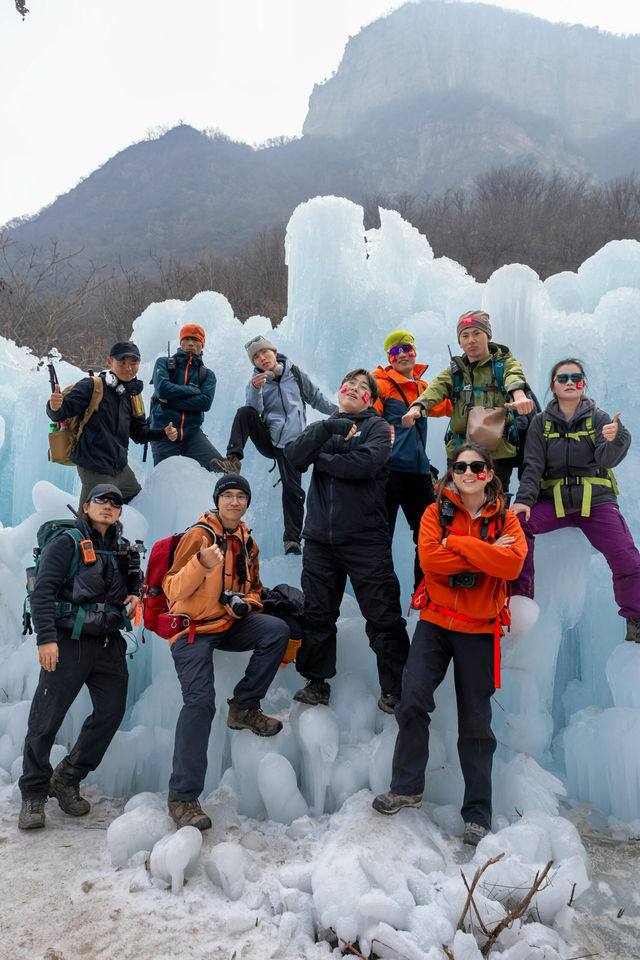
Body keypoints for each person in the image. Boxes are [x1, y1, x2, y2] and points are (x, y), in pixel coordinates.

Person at [372, 443, 526, 844]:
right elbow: (431, 560)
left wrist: (457, 544)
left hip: (480, 627)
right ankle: (406, 788)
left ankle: (477, 814)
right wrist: (484, 554)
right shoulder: (433, 513)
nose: (469, 472)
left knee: (476, 722)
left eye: (478, 466)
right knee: (412, 699)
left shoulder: (506, 520)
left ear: (490, 473)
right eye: (461, 466)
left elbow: (511, 565)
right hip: (436, 623)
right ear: (452, 473)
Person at [163, 473, 289, 830]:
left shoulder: (247, 543)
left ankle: (244, 706)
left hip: (225, 623)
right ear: (218, 500)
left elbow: (255, 588)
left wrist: (245, 604)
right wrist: (201, 564)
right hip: (192, 629)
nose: (235, 502)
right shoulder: (198, 536)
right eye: (228, 495)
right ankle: (183, 797)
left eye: (241, 496)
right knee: (200, 702)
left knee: (277, 630)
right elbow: (171, 587)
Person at [285, 368, 410, 713]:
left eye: (362, 387)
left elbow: (366, 463)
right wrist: (325, 428)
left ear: (371, 398)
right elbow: (295, 458)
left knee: (384, 615)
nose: (354, 389)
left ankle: (396, 689)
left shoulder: (378, 428)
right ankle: (316, 682)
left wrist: (322, 459)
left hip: (365, 539)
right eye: (349, 384)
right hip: (320, 541)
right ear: (339, 392)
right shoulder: (322, 428)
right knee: (317, 614)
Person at [18, 484, 141, 831]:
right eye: (101, 500)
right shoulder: (66, 542)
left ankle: (68, 777)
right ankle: (33, 794)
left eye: (115, 502)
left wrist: (135, 595)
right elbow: (43, 590)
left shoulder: (122, 548)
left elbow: (134, 582)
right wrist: (45, 639)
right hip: (67, 641)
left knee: (111, 712)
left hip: (107, 642)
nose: (108, 506)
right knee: (46, 720)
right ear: (86, 506)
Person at [511, 358, 640, 642]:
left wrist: (618, 438)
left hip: (595, 502)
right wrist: (524, 501)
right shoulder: (540, 424)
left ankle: (636, 617)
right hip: (552, 503)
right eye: (564, 378)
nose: (570, 382)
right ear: (553, 386)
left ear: (583, 384)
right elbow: (532, 466)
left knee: (627, 557)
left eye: (577, 378)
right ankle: (519, 599)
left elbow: (607, 460)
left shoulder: (600, 418)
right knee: (517, 524)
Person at [211, 335, 337, 555]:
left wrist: (341, 413)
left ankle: (292, 540)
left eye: (264, 353)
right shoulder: (256, 381)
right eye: (256, 357)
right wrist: (256, 389)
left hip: (294, 443)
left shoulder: (295, 374)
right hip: (271, 440)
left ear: (274, 351)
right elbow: (253, 410)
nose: (262, 358)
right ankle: (233, 459)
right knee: (244, 412)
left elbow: (316, 398)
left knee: (293, 490)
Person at [400, 310, 533, 494]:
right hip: (459, 451)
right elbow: (435, 388)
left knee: (493, 505)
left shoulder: (505, 364)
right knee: (454, 506)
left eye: (477, 333)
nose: (471, 340)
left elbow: (514, 377)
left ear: (488, 336)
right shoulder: (454, 372)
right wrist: (417, 406)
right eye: (465, 335)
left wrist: (519, 395)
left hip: (497, 453)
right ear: (460, 343)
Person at [48, 341, 177, 505]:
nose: (128, 368)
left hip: (120, 469)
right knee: (90, 521)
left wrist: (163, 433)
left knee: (139, 503)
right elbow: (62, 412)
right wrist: (54, 407)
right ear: (110, 362)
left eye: (133, 363)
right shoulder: (91, 386)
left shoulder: (131, 395)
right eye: (122, 362)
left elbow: (138, 433)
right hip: (95, 468)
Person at [373, 329, 452, 590]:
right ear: (389, 357)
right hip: (388, 473)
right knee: (380, 538)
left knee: (429, 534)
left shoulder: (423, 387)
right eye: (396, 351)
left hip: (418, 473)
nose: (403, 354)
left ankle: (424, 592)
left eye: (407, 348)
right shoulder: (381, 384)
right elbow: (368, 420)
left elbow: (447, 406)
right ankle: (384, 599)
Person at [150, 323, 223, 470]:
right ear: (181, 341)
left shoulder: (207, 375)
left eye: (196, 340)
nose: (191, 343)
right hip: (164, 432)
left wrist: (169, 402)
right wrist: (193, 390)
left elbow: (204, 403)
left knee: (221, 468)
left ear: (202, 345)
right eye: (187, 339)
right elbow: (163, 391)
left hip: (192, 433)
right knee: (166, 479)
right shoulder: (163, 363)